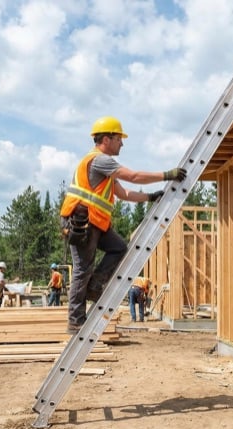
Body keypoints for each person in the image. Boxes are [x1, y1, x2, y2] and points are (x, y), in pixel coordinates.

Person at [60, 115, 187, 334]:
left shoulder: (104, 169)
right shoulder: (100, 160)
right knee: (82, 269)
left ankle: (94, 285)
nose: (122, 143)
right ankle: (75, 321)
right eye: (119, 138)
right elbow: (134, 176)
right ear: (106, 140)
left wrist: (149, 197)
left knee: (119, 248)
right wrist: (167, 175)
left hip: (96, 223)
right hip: (83, 221)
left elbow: (125, 193)